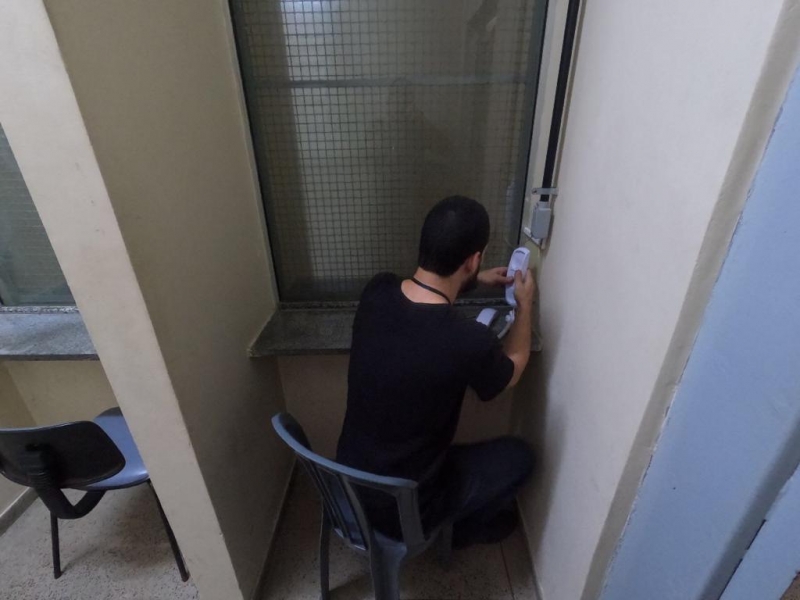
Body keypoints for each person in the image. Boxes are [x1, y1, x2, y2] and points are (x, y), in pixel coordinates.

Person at [336, 195, 536, 547]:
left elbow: (425, 298)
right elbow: (514, 366)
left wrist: (473, 279)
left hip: (349, 488)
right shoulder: (467, 340)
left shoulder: (377, 292)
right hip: (406, 510)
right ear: (472, 260)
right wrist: (525, 305)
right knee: (519, 458)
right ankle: (454, 535)